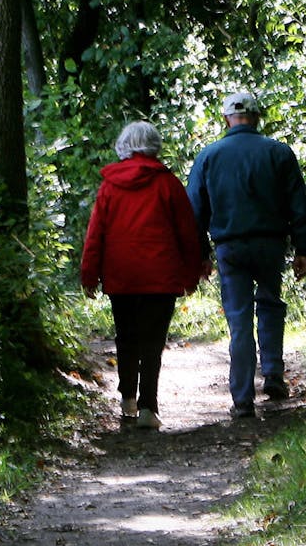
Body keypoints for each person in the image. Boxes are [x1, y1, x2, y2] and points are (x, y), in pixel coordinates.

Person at [187, 90, 306, 419]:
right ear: (257, 117)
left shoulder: (208, 156)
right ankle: (273, 374)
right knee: (271, 304)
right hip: (271, 244)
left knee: (239, 319)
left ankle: (242, 398)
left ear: (226, 118)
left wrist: (200, 254)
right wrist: (303, 248)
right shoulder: (279, 153)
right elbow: (299, 204)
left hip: (229, 247)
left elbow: (194, 212)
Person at [81, 121, 204, 430]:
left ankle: (127, 401)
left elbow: (96, 234)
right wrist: (191, 274)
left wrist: (89, 275)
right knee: (152, 342)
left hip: (121, 275)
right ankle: (149, 406)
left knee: (126, 337)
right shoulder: (168, 183)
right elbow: (187, 232)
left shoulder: (109, 186)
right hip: (160, 276)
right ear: (154, 145)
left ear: (124, 145)